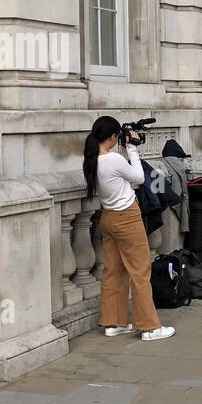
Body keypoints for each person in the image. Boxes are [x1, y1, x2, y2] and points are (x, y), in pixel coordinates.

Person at [83, 117, 175, 342]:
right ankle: (150, 328)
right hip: (127, 219)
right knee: (141, 273)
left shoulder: (93, 159)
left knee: (113, 272)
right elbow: (139, 177)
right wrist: (132, 148)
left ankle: (113, 323)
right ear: (114, 137)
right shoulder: (114, 158)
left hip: (108, 219)